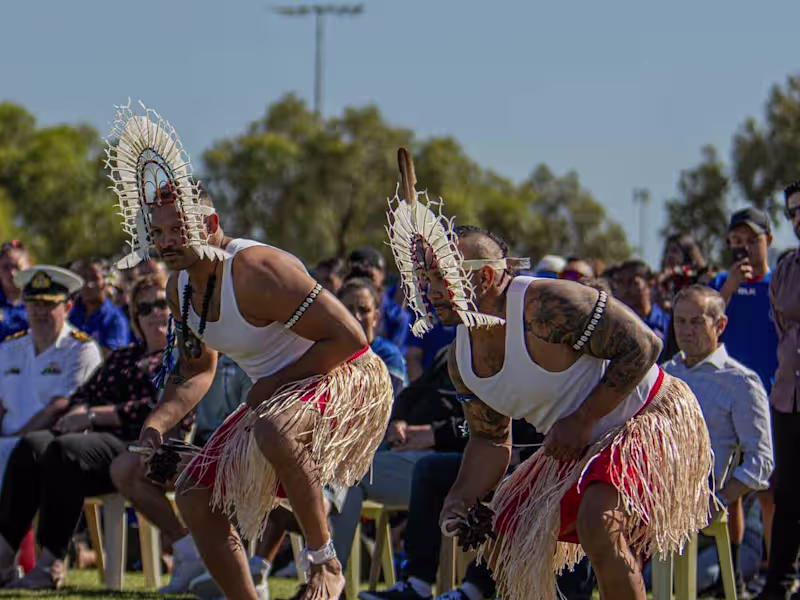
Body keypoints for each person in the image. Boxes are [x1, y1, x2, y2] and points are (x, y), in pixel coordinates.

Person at [384, 149, 712, 600]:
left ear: (481, 280)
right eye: (427, 279)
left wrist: (581, 419)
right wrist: (460, 498)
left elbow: (644, 346)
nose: (430, 291)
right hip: (576, 445)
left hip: (648, 419)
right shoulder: (463, 360)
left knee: (599, 522)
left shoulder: (545, 305)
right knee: (505, 537)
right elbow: (488, 440)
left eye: (440, 277)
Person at [105, 103, 393, 600]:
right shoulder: (180, 291)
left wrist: (274, 386)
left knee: (273, 426)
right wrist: (156, 426)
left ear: (210, 221)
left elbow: (351, 338)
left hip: (344, 375)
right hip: (276, 397)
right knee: (196, 492)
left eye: (180, 229)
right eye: (159, 233)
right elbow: (196, 369)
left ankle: (324, 563)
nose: (169, 242)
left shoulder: (256, 271)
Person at [0, 273, 190, 590]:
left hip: (143, 446)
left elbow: (159, 406)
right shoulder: (124, 357)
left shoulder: (184, 357)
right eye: (145, 308)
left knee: (66, 450)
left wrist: (92, 415)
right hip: (99, 446)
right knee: (34, 445)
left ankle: (51, 564)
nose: (155, 312)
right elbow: (87, 393)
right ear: (135, 317)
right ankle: (5, 558)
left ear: (175, 309)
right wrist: (76, 410)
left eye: (162, 304)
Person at [663, 285, 773, 596]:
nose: (686, 331)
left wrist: (722, 498)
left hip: (704, 500)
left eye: (696, 322)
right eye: (680, 322)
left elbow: (760, 462)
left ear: (720, 325)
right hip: (657, 495)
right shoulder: (664, 374)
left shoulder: (740, 382)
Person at [0, 265, 102, 484]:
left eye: (48, 304)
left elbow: (59, 407)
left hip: (47, 447)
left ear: (68, 307)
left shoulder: (81, 348)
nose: (39, 312)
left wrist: (13, 442)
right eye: (34, 304)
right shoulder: (9, 348)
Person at [757, 182, 800, 600]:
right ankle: (779, 582)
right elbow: (783, 328)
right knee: (787, 493)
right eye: (793, 211)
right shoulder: (786, 269)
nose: (798, 216)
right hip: (788, 397)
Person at [709, 208, 777, 395]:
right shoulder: (719, 283)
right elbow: (703, 326)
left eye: (753, 240)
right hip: (725, 392)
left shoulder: (780, 283)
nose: (746, 248)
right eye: (738, 241)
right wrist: (729, 288)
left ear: (768, 240)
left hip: (772, 392)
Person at [69, 257, 131, 354]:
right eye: (84, 278)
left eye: (95, 278)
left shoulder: (115, 319)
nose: (88, 284)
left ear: (105, 282)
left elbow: (114, 355)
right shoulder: (69, 314)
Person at [0, 240, 32, 340]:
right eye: (5, 267)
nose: (12, 273)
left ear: (29, 267)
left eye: (17, 267)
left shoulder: (40, 302)